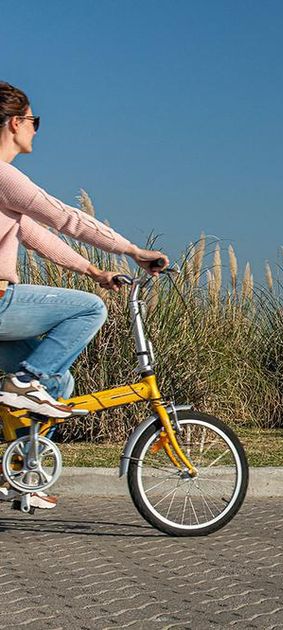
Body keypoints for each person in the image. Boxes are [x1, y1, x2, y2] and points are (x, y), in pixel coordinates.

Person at [0, 81, 168, 509]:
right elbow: (65, 219)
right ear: (15, 123)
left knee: (60, 383)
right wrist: (132, 250)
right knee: (88, 310)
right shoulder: (3, 175)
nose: (36, 129)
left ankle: (20, 474)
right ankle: (24, 383)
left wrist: (94, 270)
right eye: (34, 121)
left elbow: (37, 235)